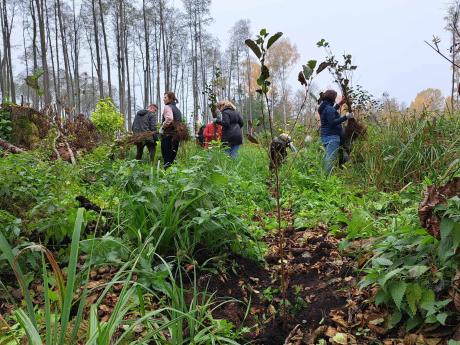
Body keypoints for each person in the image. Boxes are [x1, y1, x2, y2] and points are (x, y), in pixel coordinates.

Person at [317, 90, 353, 175]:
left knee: (329, 157)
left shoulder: (324, 107)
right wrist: (346, 117)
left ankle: (324, 176)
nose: (335, 99)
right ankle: (325, 180)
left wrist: (340, 103)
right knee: (330, 159)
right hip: (332, 137)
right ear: (332, 97)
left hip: (325, 137)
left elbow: (331, 112)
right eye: (335, 97)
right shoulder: (329, 108)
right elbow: (332, 122)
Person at [159, 91, 182, 168]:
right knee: (172, 157)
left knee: (166, 157)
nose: (163, 99)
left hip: (168, 135)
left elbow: (169, 118)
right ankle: (171, 176)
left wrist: (162, 127)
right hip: (176, 136)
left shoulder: (167, 107)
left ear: (170, 98)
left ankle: (166, 176)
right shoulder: (177, 110)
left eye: (165, 97)